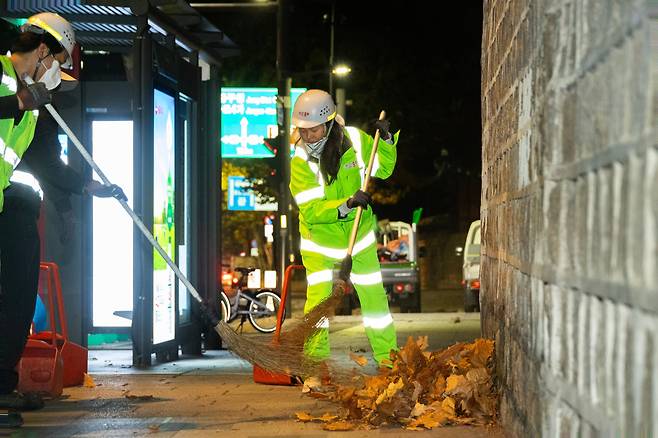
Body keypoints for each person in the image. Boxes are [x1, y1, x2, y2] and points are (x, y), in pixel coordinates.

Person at [0, 12, 125, 411]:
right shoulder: (4, 76)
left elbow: (46, 162)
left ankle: (2, 387)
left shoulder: (35, 104)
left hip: (6, 205)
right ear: (41, 50)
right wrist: (16, 101)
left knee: (17, 300)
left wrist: (89, 188)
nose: (57, 73)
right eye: (56, 62)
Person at [289, 89, 399, 369]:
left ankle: (390, 364)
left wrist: (385, 141)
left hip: (358, 238)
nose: (308, 136)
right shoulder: (300, 162)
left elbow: (384, 169)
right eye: (303, 130)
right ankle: (315, 367)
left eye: (314, 130)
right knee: (319, 307)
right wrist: (346, 204)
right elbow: (312, 210)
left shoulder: (356, 142)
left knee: (375, 304)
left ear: (328, 123)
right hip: (319, 244)